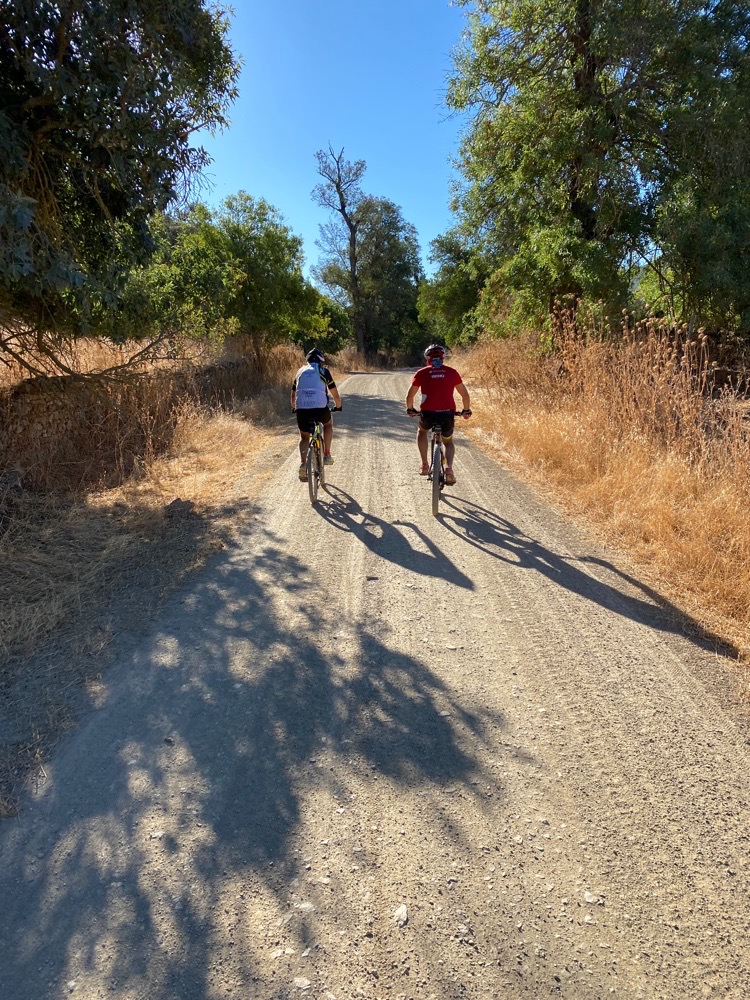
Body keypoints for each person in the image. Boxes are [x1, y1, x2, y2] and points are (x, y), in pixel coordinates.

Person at [406, 344, 471, 485]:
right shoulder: (452, 372)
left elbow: (410, 396)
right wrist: (466, 410)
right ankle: (449, 469)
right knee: (448, 442)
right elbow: (465, 395)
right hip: (447, 414)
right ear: (443, 357)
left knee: (422, 432)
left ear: (427, 358)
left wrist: (410, 409)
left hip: (428, 414)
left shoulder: (422, 373)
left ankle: (424, 464)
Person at [291, 348, 342, 481]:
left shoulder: (299, 372)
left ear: (307, 360)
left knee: (304, 437)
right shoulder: (323, 371)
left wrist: (294, 408)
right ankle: (326, 454)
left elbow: (293, 394)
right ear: (321, 361)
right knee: (328, 424)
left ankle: (303, 464)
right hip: (320, 408)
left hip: (302, 409)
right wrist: (338, 406)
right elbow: (334, 393)